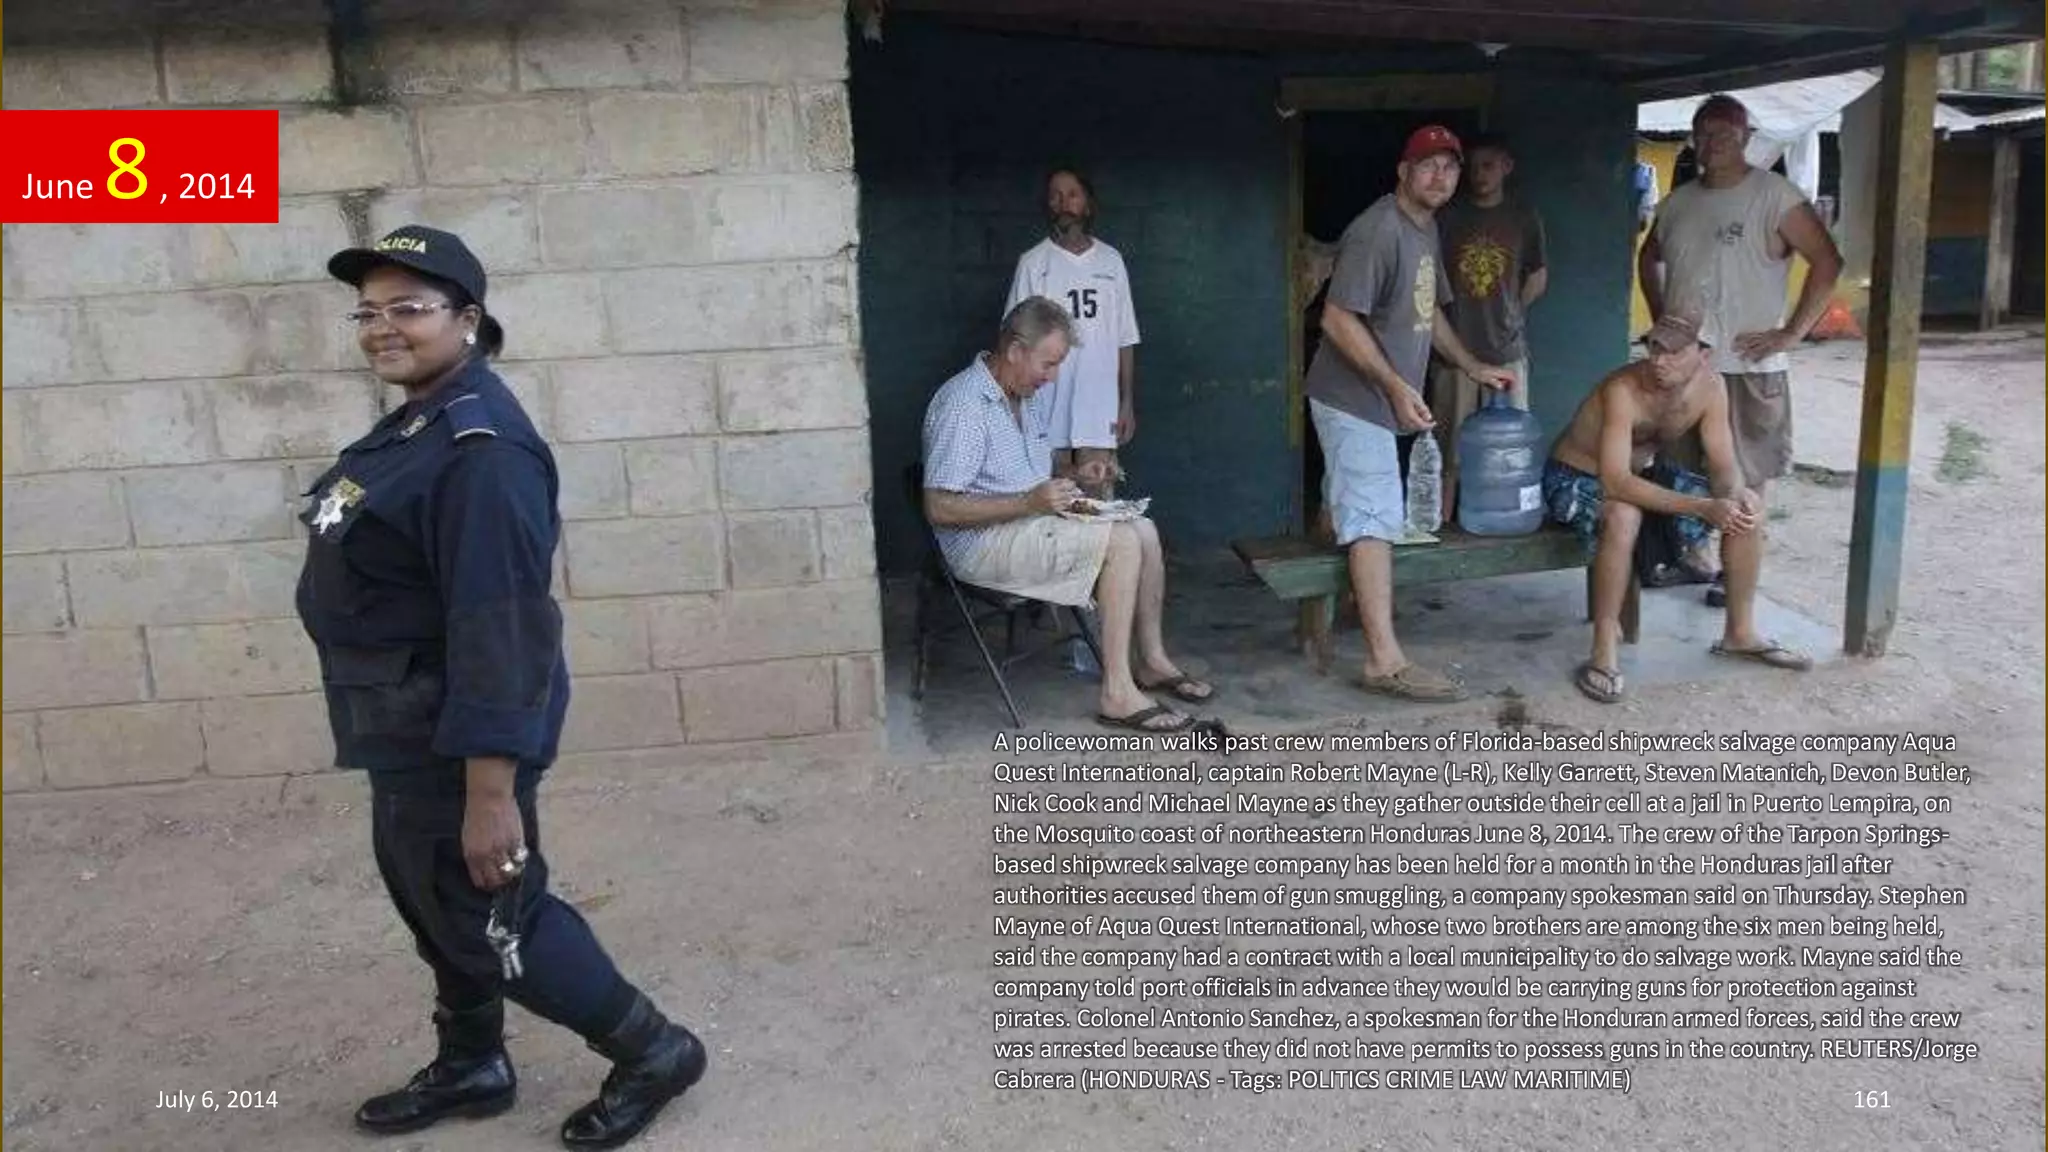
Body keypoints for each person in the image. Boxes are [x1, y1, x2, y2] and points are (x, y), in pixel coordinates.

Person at [296, 225, 705, 1148]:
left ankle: (653, 1050)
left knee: (495, 916)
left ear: (470, 319)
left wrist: (491, 793)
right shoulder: (420, 418)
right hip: (398, 721)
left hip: (453, 734)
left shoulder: (482, 451)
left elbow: (503, 629)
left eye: (410, 307)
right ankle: (473, 1061)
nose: (381, 328)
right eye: (368, 310)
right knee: (433, 901)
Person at [922, 296, 1214, 732]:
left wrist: (1077, 472)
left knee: (1144, 529)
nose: (1052, 376)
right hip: (982, 545)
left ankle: (1151, 661)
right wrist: (1027, 504)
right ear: (1016, 350)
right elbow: (939, 506)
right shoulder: (964, 405)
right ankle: (1117, 692)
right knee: (1120, 541)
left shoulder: (1024, 394)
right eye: (1049, 363)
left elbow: (1034, 469)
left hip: (1027, 524)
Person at [1303, 124, 1517, 702]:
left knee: (1351, 503)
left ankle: (1331, 610)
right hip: (1355, 400)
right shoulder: (1377, 231)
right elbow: (1337, 320)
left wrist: (1470, 366)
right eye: (1428, 165)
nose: (1440, 175)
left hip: (1378, 399)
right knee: (1375, 517)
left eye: (1450, 166)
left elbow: (1431, 315)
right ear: (1402, 171)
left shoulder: (1424, 229)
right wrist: (1398, 387)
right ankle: (1383, 659)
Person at [1542, 311, 1813, 704]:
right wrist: (1703, 506)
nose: (1658, 359)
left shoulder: (1712, 388)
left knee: (1745, 511)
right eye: (1654, 347)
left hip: (1644, 477)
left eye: (1672, 351)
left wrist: (1735, 493)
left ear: (1703, 354)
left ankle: (1739, 633)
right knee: (1622, 514)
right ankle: (1603, 647)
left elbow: (1722, 465)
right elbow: (1615, 481)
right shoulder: (1623, 389)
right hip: (1573, 478)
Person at [1637, 93, 1843, 603]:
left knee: (1746, 477)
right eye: (1705, 132)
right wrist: (1665, 318)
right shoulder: (1680, 202)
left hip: (1749, 366)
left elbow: (1827, 261)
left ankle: (1737, 580)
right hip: (1687, 368)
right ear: (1693, 139)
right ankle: (1694, 558)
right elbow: (1649, 259)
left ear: (1748, 136)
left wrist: (1792, 332)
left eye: (1727, 131)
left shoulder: (1774, 195)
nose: (1715, 142)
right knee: (1684, 471)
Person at [1004, 167, 1141, 501]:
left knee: (1098, 504)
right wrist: (1017, 406)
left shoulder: (1111, 261)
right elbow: (1015, 338)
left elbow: (1125, 338)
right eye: (1055, 195)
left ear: (1089, 205)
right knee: (1056, 504)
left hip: (1099, 408)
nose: (1063, 203)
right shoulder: (1033, 263)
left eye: (1072, 194)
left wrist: (1126, 403)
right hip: (1045, 405)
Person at [1432, 131, 1548, 516]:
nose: (1480, 175)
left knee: (1508, 451)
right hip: (1456, 351)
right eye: (1473, 166)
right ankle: (1443, 524)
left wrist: (1516, 310)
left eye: (1489, 165)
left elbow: (1538, 274)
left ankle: (1502, 525)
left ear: (1506, 167)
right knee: (1450, 449)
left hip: (1506, 350)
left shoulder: (1522, 216)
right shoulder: (1448, 216)